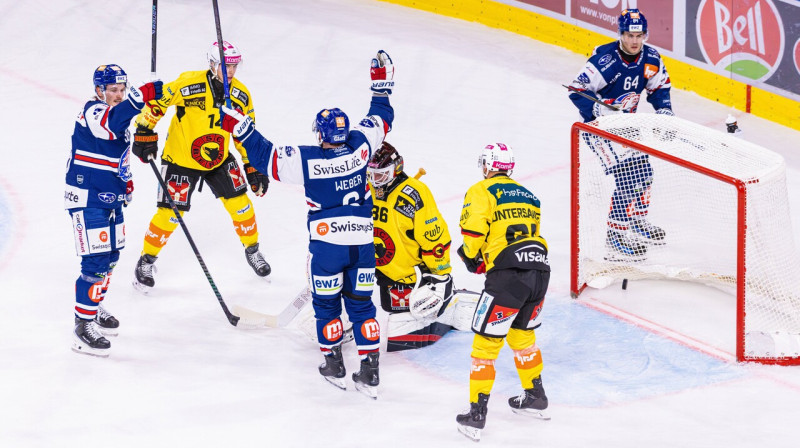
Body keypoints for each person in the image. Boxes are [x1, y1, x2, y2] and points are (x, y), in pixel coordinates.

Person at [219, 50, 395, 399]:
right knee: (361, 305)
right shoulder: (361, 146)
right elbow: (382, 116)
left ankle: (334, 363)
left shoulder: (307, 158)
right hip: (362, 243)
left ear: (321, 135)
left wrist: (238, 126)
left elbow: (265, 158)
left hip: (328, 246)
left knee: (327, 304)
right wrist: (381, 86)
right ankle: (370, 370)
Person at [130, 40, 271, 292]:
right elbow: (159, 101)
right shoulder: (189, 82)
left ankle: (253, 250)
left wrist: (252, 165)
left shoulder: (240, 94)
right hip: (181, 159)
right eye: (225, 65)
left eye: (234, 66)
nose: (230, 71)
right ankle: (146, 260)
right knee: (170, 214)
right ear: (212, 63)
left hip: (217, 158)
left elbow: (244, 132)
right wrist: (144, 128)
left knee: (241, 205)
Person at [455, 143, 551, 441]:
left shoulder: (481, 190)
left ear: (487, 165)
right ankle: (535, 395)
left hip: (508, 277)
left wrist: (473, 256)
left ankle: (476, 415)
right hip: (540, 271)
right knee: (523, 337)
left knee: (485, 346)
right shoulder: (530, 196)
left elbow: (473, 233)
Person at [66, 64, 163, 356]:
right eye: (113, 91)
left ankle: (93, 308)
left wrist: (127, 182)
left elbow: (117, 158)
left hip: (111, 199)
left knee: (111, 258)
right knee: (94, 263)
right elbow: (113, 122)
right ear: (99, 91)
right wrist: (141, 95)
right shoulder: (92, 112)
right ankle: (82, 327)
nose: (118, 95)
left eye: (122, 90)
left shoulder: (118, 118)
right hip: (88, 198)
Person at [567, 8, 673, 259]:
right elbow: (576, 89)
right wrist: (596, 109)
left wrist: (665, 110)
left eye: (639, 36)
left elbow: (659, 88)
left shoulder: (652, 57)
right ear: (620, 34)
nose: (635, 41)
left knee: (645, 174)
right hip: (599, 129)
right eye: (629, 35)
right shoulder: (605, 60)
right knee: (627, 178)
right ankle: (615, 236)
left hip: (628, 125)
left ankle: (636, 221)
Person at [366, 142, 460, 351]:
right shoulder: (368, 188)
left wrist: (440, 273)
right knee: (374, 305)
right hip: (374, 265)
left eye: (379, 175)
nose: (374, 180)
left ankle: (448, 304)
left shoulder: (414, 194)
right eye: (370, 174)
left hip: (407, 273)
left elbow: (434, 237)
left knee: (399, 322)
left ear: (395, 169)